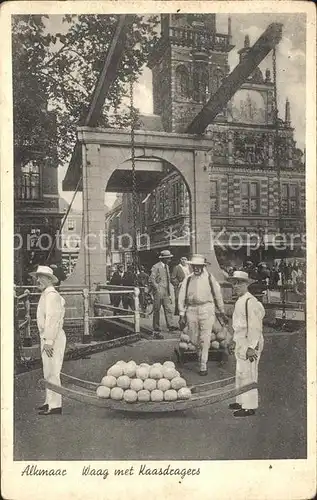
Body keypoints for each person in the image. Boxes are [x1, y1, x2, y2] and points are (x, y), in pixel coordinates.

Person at [178, 254, 227, 376]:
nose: (196, 268)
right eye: (194, 266)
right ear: (192, 266)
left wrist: (221, 311)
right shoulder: (188, 279)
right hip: (192, 310)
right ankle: (200, 355)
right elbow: (181, 297)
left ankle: (203, 364)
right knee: (194, 338)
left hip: (207, 308)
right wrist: (181, 313)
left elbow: (218, 295)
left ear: (203, 267)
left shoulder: (210, 278)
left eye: (199, 266)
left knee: (205, 337)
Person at [227, 270, 265, 417]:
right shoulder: (240, 300)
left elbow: (255, 326)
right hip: (241, 340)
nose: (236, 286)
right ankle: (241, 400)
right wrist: (233, 341)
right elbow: (238, 326)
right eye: (234, 283)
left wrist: (251, 347)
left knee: (249, 373)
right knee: (240, 372)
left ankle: (249, 406)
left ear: (246, 285)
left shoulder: (251, 301)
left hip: (250, 340)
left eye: (239, 283)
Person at [30, 265, 66, 416]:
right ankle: (49, 402)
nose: (37, 280)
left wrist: (49, 341)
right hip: (48, 336)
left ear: (48, 279)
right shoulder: (46, 294)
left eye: (40, 277)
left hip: (53, 337)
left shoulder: (51, 295)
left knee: (53, 371)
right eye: (37, 277)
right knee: (48, 370)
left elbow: (52, 319)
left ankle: (56, 405)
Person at [149, 250, 178, 339]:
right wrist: (157, 288)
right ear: (164, 259)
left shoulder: (167, 267)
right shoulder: (156, 267)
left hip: (166, 291)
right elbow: (151, 279)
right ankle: (156, 327)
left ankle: (171, 325)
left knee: (168, 308)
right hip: (158, 292)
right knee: (157, 309)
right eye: (168, 258)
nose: (169, 259)